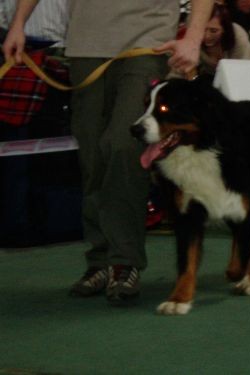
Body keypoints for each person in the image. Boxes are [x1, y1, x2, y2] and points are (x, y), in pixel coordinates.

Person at [3, 0, 214, 304]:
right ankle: (99, 260)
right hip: (84, 46)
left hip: (147, 43)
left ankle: (124, 261)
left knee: (123, 145)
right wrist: (18, 24)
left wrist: (193, 38)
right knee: (92, 154)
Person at [0, 0, 69, 247]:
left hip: (62, 54)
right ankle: (17, 225)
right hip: (13, 53)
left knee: (54, 156)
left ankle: (53, 223)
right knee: (15, 154)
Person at [198, 3, 250, 76]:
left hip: (248, 70)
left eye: (214, 31)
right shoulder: (193, 37)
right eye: (202, 30)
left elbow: (238, 71)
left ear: (225, 28)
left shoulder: (238, 34)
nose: (206, 36)